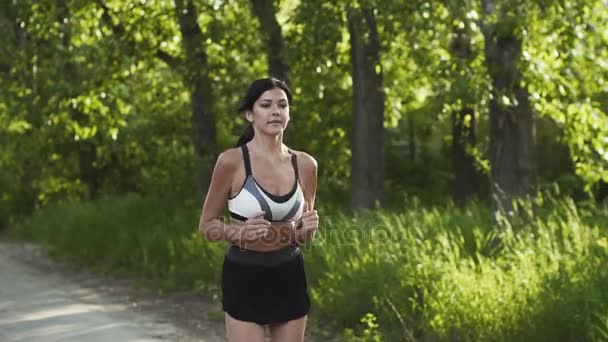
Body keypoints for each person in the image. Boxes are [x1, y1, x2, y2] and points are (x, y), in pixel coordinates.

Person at [197, 77, 319, 342]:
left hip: (289, 273)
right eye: (266, 105)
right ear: (250, 114)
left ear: (289, 113)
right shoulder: (231, 161)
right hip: (245, 274)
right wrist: (237, 234)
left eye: (282, 105)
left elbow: (302, 235)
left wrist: (308, 231)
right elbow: (207, 225)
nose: (276, 111)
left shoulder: (306, 165)